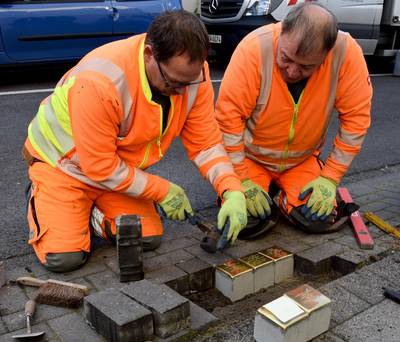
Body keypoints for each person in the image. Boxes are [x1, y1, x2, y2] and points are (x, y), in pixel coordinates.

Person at [23, 10, 247, 272]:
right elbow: (99, 167)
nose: (181, 91)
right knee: (63, 259)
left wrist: (232, 190)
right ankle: (41, 195)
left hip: (117, 172)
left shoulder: (192, 75)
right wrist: (162, 190)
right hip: (63, 168)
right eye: (173, 82)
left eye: (189, 82)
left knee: (147, 237)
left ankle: (94, 215)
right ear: (150, 55)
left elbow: (205, 144)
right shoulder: (100, 81)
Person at [216, 2, 372, 236]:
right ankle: (264, 192)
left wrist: (330, 179)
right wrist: (241, 179)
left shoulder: (345, 53)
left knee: (317, 219)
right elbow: (227, 121)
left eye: (306, 66)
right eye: (286, 58)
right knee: (247, 222)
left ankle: (281, 200)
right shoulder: (254, 49)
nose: (292, 71)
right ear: (282, 30)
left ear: (326, 54)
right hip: (251, 159)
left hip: (302, 161)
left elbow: (356, 121)